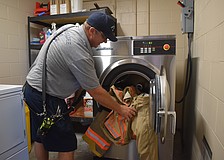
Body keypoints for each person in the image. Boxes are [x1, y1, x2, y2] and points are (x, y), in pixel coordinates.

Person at [23, 12, 137, 160]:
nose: (104, 42)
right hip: (44, 96)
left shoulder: (70, 29)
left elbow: (69, 71)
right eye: (104, 37)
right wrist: (121, 109)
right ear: (92, 31)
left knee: (41, 134)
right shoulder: (79, 51)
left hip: (32, 90)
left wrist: (74, 97)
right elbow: (96, 92)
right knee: (67, 144)